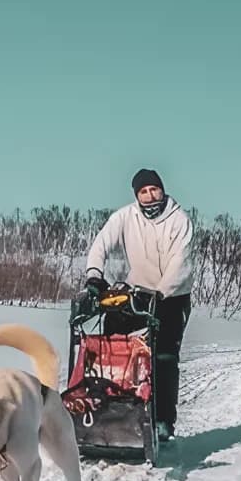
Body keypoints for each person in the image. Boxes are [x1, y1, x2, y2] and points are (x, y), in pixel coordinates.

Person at [83, 168, 194, 439]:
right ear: (137, 195)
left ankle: (164, 422)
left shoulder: (179, 219)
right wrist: (95, 275)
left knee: (163, 358)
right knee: (113, 345)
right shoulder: (125, 217)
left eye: (154, 189)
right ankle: (108, 409)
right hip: (138, 293)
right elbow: (101, 244)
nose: (149, 195)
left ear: (162, 189)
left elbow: (180, 264)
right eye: (143, 191)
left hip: (171, 296)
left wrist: (160, 292)